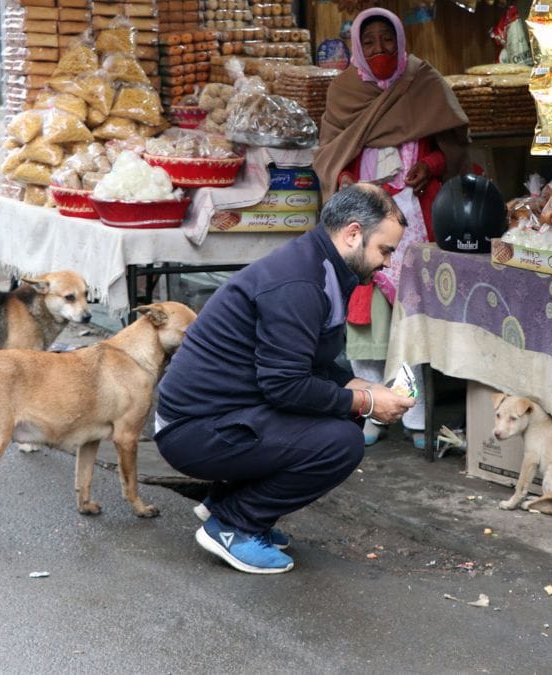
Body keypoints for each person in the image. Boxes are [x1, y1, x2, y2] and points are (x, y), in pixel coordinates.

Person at [154, 184, 416, 574]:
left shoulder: (318, 266)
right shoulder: (300, 283)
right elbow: (286, 386)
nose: (386, 263)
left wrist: (361, 388)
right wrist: (367, 401)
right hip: (194, 430)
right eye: (385, 250)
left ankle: (226, 502)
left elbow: (306, 363)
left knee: (345, 416)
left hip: (219, 415)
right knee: (342, 442)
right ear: (353, 234)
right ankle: (233, 524)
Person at [314, 7, 470, 449]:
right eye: (370, 42)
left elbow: (450, 147)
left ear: (401, 41)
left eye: (387, 39)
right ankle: (370, 414)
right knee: (364, 326)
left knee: (408, 324)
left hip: (413, 221)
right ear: (356, 48)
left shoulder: (423, 84)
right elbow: (332, 154)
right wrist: (346, 182)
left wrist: (428, 165)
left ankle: (415, 416)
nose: (379, 49)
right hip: (360, 220)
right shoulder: (344, 91)